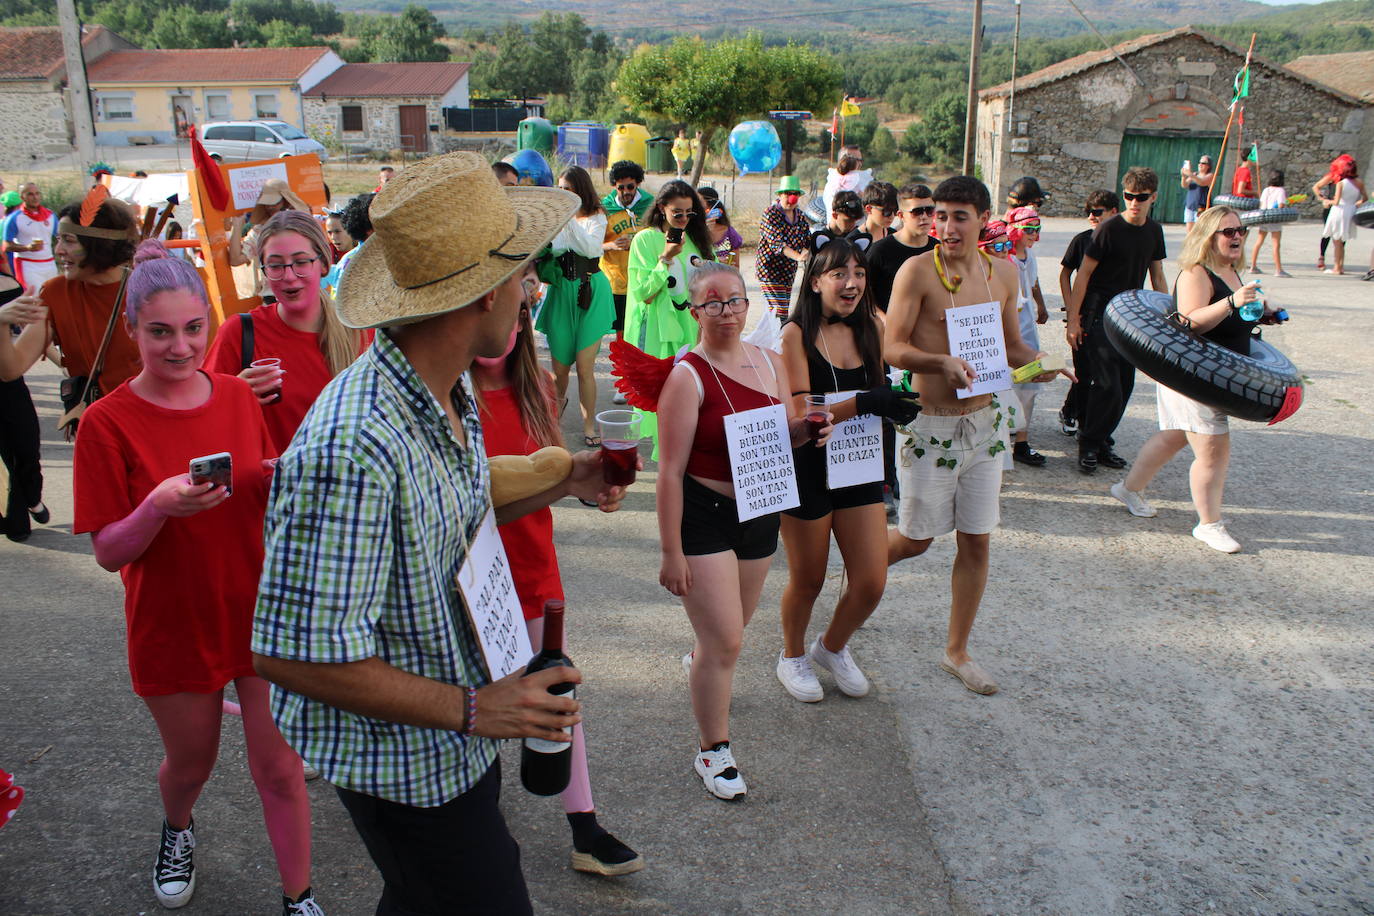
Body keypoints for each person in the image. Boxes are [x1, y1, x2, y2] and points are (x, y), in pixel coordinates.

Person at [250, 152, 627, 915]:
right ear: (484, 294)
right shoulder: (351, 449)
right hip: (402, 763)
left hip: (453, 737)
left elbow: (452, 511)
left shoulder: (441, 378)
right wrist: (476, 709)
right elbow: (288, 652)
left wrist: (566, 476)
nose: (533, 289)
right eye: (523, 273)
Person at [71, 241, 320, 914]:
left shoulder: (240, 396)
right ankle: (177, 827)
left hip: (258, 610)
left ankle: (299, 897)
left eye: (192, 329)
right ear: (131, 330)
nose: (180, 347)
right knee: (192, 764)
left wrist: (281, 479)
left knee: (280, 768)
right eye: (160, 332)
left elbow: (257, 483)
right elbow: (109, 551)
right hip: (173, 622)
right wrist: (157, 505)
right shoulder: (106, 423)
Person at [472, 301, 642, 877]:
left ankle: (584, 828)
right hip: (469, 576)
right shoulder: (445, 393)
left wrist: (586, 486)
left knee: (556, 696)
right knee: (479, 706)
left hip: (534, 564)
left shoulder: (541, 385)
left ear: (522, 322)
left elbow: (546, 479)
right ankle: (482, 826)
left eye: (513, 314)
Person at [883, 176, 1067, 695]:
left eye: (958, 216)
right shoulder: (916, 272)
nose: (945, 226)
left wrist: (1044, 363)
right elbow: (892, 348)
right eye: (939, 215)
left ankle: (957, 651)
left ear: (984, 218)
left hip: (986, 426)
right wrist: (938, 361)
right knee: (916, 541)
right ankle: (861, 570)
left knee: (977, 541)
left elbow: (1012, 345)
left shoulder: (1003, 273)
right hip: (930, 425)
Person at [656, 260, 819, 798]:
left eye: (734, 300)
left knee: (731, 632)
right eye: (712, 303)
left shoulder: (772, 362)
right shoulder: (688, 375)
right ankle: (713, 751)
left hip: (760, 510)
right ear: (695, 310)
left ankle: (703, 661)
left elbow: (774, 437)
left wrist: (807, 432)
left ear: (748, 304)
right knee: (726, 639)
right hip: (704, 515)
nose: (725, 312)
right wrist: (671, 551)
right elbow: (670, 472)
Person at [775, 238, 920, 703]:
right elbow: (799, 410)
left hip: (858, 464)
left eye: (858, 273)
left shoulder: (871, 330)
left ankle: (831, 647)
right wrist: (864, 401)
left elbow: (882, 389)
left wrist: (894, 406)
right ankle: (791, 655)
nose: (852, 282)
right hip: (808, 468)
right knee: (809, 578)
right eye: (839, 273)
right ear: (815, 281)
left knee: (872, 580)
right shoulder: (795, 333)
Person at [1110, 207, 1266, 554]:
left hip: (1217, 375)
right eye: (1228, 232)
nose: (1237, 236)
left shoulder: (1231, 271)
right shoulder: (1197, 273)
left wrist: (1261, 313)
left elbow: (1232, 320)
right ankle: (1209, 525)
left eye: (1240, 230)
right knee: (1213, 451)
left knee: (1174, 437)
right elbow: (1189, 322)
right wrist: (1231, 302)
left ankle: (1128, 489)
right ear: (1209, 237)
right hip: (1194, 375)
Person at [206, 210, 369, 454]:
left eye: (301, 262)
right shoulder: (239, 333)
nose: (289, 276)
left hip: (345, 487)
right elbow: (201, 418)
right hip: (270, 489)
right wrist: (234, 396)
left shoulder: (361, 332)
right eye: (275, 266)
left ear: (323, 263)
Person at [1066, 167, 1168, 475]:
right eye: (1129, 197)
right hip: (1100, 315)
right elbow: (1082, 276)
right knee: (1107, 384)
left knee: (1125, 385)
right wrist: (1074, 319)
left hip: (1133, 319)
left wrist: (1170, 317)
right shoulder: (1108, 230)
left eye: (1141, 197)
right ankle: (1088, 444)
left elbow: (1158, 275)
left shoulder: (1153, 231)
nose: (1134, 202)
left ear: (1153, 197)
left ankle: (1101, 442)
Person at [0, 198, 143, 402]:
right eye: (58, 239)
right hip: (94, 422)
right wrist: (1, 323)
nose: (58, 250)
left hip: (148, 417)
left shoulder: (147, 290)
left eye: (69, 240)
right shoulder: (55, 292)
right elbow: (11, 369)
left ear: (99, 244)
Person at [624, 180, 715, 448]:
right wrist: (664, 258)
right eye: (678, 213)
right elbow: (644, 294)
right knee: (661, 400)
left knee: (690, 396)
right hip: (656, 332)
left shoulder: (696, 241)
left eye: (690, 213)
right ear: (662, 208)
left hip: (691, 329)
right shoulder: (645, 239)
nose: (684, 219)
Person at [537, 166, 616, 446]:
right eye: (560, 188)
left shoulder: (596, 217)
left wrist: (568, 220)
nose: (563, 194)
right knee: (559, 371)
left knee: (584, 367)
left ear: (580, 189)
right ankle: (553, 423)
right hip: (561, 293)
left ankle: (589, 425)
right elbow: (552, 249)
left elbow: (591, 249)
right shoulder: (554, 219)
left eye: (567, 189)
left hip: (591, 291)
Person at [1056, 190, 1119, 438]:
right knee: (1084, 371)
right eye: (1089, 212)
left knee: (1105, 375)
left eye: (1097, 212)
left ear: (1113, 212)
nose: (1092, 216)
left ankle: (1090, 422)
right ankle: (1072, 412)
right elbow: (1064, 274)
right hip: (1084, 314)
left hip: (1112, 316)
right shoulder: (1082, 240)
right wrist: (1072, 308)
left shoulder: (1121, 240)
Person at [0, 283, 48, 542]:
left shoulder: (10, 283)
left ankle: (32, 496)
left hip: (10, 383)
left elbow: (38, 330)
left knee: (28, 447)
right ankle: (16, 519)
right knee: (5, 456)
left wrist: (60, 361)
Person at [1005, 206, 1050, 466]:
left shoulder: (1029, 256)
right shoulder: (1005, 258)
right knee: (1005, 383)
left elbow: (1033, 283)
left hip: (1027, 324)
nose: (1033, 235)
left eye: (1036, 229)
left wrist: (1041, 305)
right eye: (1029, 229)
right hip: (1009, 323)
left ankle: (1022, 441)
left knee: (1031, 383)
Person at [228, 180, 309, 302]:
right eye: (267, 203)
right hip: (272, 296)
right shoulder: (260, 231)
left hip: (302, 290)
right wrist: (237, 226)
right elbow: (236, 259)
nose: (270, 207)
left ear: (285, 201)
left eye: (274, 202)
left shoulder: (302, 225)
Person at [600, 160, 653, 346]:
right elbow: (592, 244)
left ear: (638, 183)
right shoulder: (604, 209)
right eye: (620, 187)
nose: (626, 192)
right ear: (614, 186)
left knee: (644, 328)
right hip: (617, 280)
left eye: (630, 186)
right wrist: (611, 245)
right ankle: (623, 369)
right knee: (622, 331)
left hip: (644, 279)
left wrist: (638, 243)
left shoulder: (650, 206)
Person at [868, 184, 936, 313]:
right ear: (901, 215)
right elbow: (864, 295)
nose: (924, 216)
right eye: (916, 212)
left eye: (929, 210)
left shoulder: (938, 249)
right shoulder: (880, 251)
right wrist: (883, 320)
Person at [755, 176, 812, 320]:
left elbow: (808, 240)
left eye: (795, 194)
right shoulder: (770, 214)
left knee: (781, 313)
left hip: (787, 274)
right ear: (780, 195)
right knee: (777, 313)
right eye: (787, 193)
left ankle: (772, 340)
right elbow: (776, 244)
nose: (791, 198)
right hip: (769, 271)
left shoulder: (801, 217)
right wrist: (799, 257)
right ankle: (775, 340)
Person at [2, 183, 58, 290]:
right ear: (22, 197)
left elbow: (60, 236)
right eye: (30, 194)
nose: (35, 197)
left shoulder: (50, 215)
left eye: (37, 193)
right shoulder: (15, 218)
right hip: (28, 265)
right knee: (33, 300)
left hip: (49, 263)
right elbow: (6, 246)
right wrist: (27, 248)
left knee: (52, 297)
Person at [1320, 159, 1366, 276]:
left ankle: (1336, 267)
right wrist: (1356, 204)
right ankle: (1341, 266)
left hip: (1339, 211)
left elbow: (1336, 201)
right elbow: (1365, 197)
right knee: (1343, 241)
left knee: (1337, 241)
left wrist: (1327, 201)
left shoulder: (1341, 183)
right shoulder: (1359, 183)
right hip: (1351, 210)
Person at [1313, 154, 1355, 270]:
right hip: (1331, 207)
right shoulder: (1334, 176)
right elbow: (1316, 186)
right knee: (1327, 233)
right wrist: (1322, 198)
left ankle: (1339, 262)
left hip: (1344, 207)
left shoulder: (1351, 179)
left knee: (1342, 234)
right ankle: (1322, 256)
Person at [1249, 170, 1291, 277]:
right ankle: (1278, 269)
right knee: (1276, 244)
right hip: (1274, 218)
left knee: (1259, 241)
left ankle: (1253, 266)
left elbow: (1262, 203)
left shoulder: (1266, 190)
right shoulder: (1280, 190)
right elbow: (1281, 205)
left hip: (1264, 216)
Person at [698, 188, 743, 266]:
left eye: (698, 202)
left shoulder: (729, 233)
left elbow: (735, 266)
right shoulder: (693, 232)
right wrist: (716, 260)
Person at [1180, 155, 1215, 227]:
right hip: (1190, 205)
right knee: (1189, 228)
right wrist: (1183, 176)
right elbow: (1184, 185)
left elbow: (1202, 182)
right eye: (1199, 162)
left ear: (1208, 166)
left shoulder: (1210, 175)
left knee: (1199, 228)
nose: (1200, 164)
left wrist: (1189, 174)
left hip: (1201, 206)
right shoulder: (1195, 174)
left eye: (1203, 163)